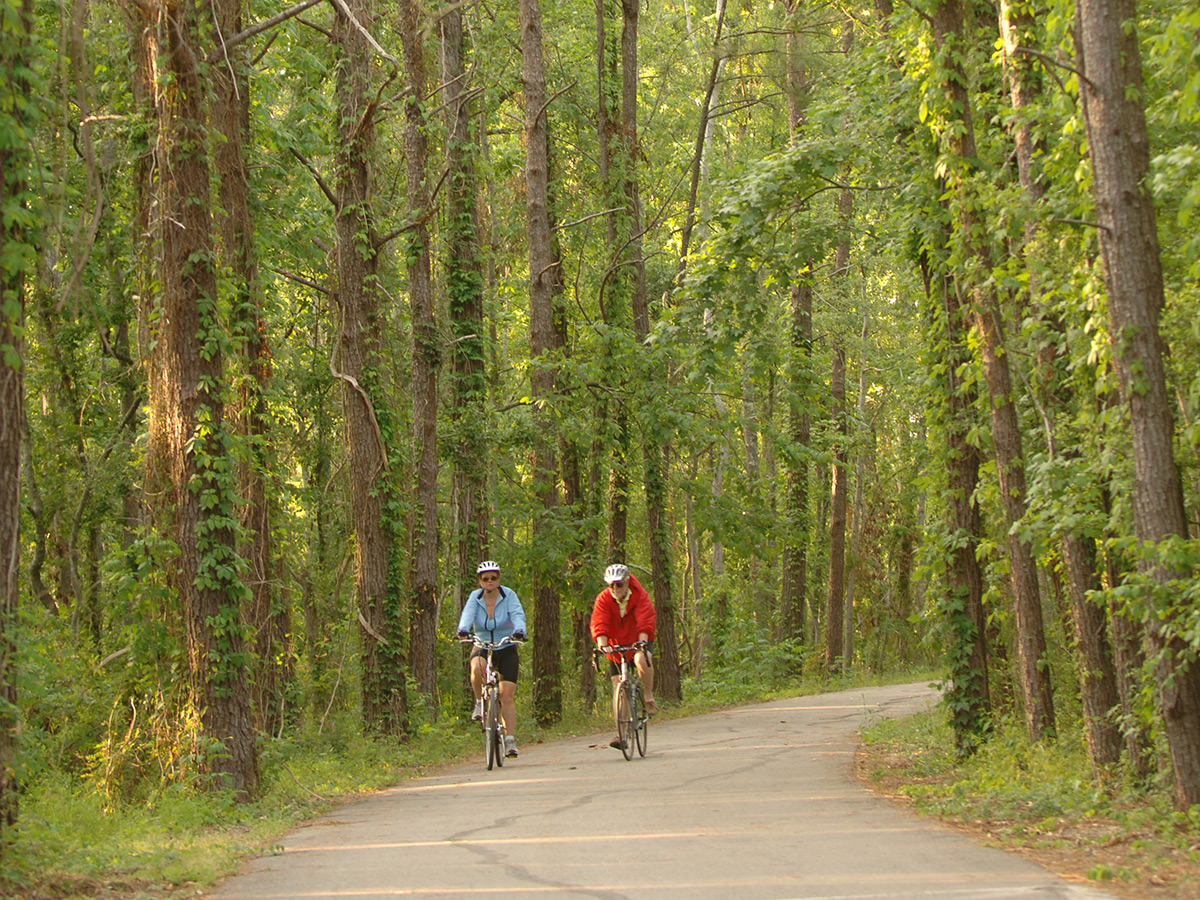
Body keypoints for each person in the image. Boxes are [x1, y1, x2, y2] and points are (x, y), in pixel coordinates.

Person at [457, 560, 527, 758]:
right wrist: (462, 630)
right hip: (483, 643)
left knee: (507, 695)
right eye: (485, 578)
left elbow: (517, 615)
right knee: (477, 667)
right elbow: (467, 615)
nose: (489, 581)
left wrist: (519, 631)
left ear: (498, 579)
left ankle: (510, 739)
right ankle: (480, 702)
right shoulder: (475, 597)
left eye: (493, 577)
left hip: (506, 645)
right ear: (480, 581)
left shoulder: (509, 595)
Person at [590, 563, 658, 749]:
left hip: (637, 639)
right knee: (618, 685)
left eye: (618, 584)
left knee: (641, 659)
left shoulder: (639, 594)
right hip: (616, 645)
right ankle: (621, 734)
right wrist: (602, 645)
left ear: (627, 582)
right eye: (611, 585)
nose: (615, 589)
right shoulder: (604, 598)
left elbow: (645, 618)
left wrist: (642, 642)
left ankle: (649, 697)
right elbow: (599, 622)